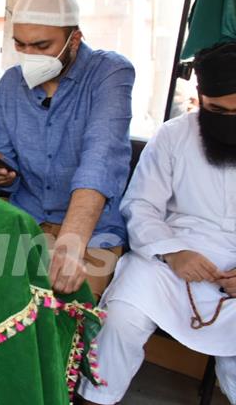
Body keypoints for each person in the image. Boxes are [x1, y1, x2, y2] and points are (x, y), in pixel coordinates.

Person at [78, 42, 236, 404]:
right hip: (168, 260)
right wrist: (174, 253)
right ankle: (96, 400)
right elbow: (141, 205)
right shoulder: (173, 135)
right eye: (216, 110)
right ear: (200, 97)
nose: (227, 121)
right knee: (120, 319)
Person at [0, 0, 135, 296]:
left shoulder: (110, 74)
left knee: (67, 313)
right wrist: (0, 173)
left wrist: (71, 243)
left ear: (74, 39)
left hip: (92, 232)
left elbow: (100, 159)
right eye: (21, 45)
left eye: (42, 45)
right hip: (27, 222)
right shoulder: (9, 84)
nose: (29, 55)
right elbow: (5, 158)